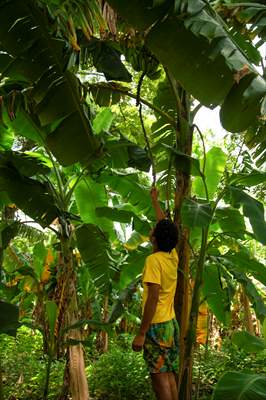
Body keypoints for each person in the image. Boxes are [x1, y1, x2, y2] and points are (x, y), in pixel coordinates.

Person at [132, 187, 179, 400]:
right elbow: (165, 226)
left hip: (156, 326)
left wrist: (142, 332)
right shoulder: (172, 256)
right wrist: (154, 201)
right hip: (170, 324)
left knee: (159, 380)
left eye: (154, 230)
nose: (152, 229)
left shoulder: (153, 261)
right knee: (168, 373)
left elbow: (152, 297)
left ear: (156, 238)